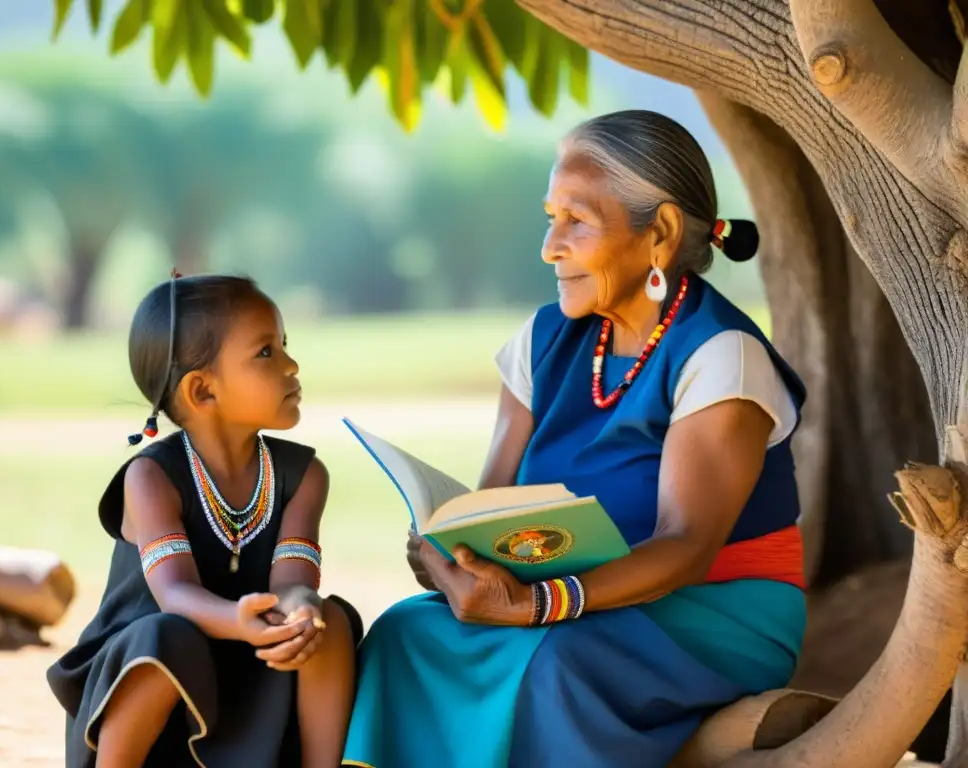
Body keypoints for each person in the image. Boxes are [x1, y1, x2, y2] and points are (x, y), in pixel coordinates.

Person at [341, 111, 807, 768]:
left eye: (577, 220)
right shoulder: (543, 341)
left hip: (713, 610)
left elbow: (687, 549)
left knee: (555, 665)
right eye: (549, 216)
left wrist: (535, 605)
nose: (550, 246)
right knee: (403, 633)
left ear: (661, 233)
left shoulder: (719, 353)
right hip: (564, 598)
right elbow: (488, 507)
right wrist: (449, 560)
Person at [47, 274, 361, 768]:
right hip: (151, 681)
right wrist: (236, 621)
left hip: (246, 673)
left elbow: (293, 581)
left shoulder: (303, 476)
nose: (291, 364)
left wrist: (299, 611)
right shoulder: (151, 477)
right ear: (202, 390)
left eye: (284, 345)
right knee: (168, 635)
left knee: (330, 622)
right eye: (266, 352)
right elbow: (174, 595)